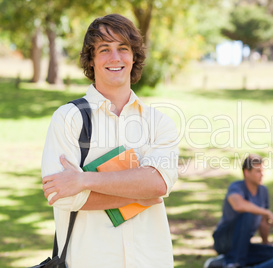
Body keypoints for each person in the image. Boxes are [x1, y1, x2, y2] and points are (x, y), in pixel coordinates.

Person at [41, 14, 178, 267]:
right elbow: (61, 197)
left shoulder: (159, 122)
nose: (115, 58)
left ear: (133, 56)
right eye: (104, 49)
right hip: (89, 260)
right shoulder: (68, 119)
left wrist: (83, 180)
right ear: (91, 60)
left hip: (151, 260)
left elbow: (158, 184)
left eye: (123, 48)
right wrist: (139, 193)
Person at [210, 154, 273, 268]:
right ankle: (233, 262)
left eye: (262, 171)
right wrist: (266, 212)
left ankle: (221, 263)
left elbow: (262, 222)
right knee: (248, 213)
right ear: (246, 172)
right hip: (225, 240)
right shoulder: (236, 187)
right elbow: (238, 205)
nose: (262, 174)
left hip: (243, 243)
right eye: (258, 171)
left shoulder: (263, 190)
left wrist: (266, 243)